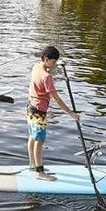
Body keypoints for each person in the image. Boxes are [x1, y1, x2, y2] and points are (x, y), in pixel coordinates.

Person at [27, 46, 79, 181]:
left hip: (30, 107)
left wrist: (55, 66)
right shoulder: (47, 77)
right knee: (39, 140)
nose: (55, 64)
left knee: (32, 137)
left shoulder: (36, 66)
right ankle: (40, 172)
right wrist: (71, 113)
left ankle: (33, 164)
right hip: (39, 111)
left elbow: (45, 71)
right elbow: (56, 98)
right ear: (46, 59)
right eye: (54, 62)